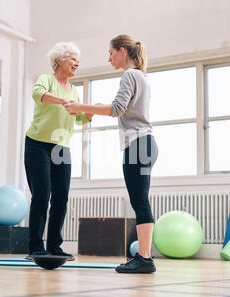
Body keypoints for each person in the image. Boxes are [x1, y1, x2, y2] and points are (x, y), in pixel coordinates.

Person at [64, 34, 158, 273]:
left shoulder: (130, 74)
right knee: (140, 200)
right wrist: (92, 107)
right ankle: (145, 258)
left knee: (139, 201)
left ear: (123, 51)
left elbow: (116, 109)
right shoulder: (140, 77)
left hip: (138, 144)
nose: (109, 58)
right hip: (144, 143)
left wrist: (81, 107)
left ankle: (145, 259)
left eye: (111, 53)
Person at [24, 42, 92, 260]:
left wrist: (88, 114)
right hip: (38, 144)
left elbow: (80, 119)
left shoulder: (75, 91)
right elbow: (38, 94)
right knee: (42, 194)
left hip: (61, 148)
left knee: (61, 197)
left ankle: (54, 244)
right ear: (59, 61)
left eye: (77, 60)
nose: (77, 63)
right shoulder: (47, 79)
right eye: (72, 58)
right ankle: (35, 245)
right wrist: (64, 101)